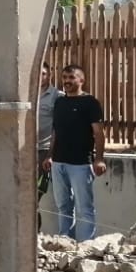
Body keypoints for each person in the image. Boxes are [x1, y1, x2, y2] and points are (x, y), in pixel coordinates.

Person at [42, 64, 107, 241]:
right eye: (64, 77)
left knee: (84, 208)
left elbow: (99, 133)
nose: (67, 81)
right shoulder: (60, 102)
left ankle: (86, 245)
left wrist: (99, 159)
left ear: (81, 80)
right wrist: (49, 156)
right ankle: (65, 240)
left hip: (81, 164)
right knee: (63, 206)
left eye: (72, 77)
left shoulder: (90, 103)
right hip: (58, 162)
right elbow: (55, 132)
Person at [35, 63, 60, 228]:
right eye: (38, 74)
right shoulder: (28, 94)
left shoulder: (57, 96)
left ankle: (34, 235)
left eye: (43, 74)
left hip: (44, 151)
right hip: (25, 150)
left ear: (49, 75)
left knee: (36, 194)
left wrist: (51, 154)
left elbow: (57, 128)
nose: (40, 77)